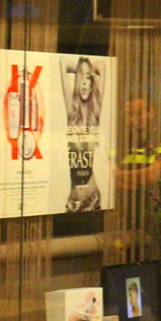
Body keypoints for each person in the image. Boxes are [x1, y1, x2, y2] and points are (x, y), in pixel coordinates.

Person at [59, 56, 105, 211]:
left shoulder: (95, 113)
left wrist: (87, 70)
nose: (84, 82)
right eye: (80, 78)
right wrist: (80, 70)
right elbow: (63, 62)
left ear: (92, 85)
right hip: (72, 200)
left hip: (91, 197)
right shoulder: (71, 112)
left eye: (88, 78)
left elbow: (102, 66)